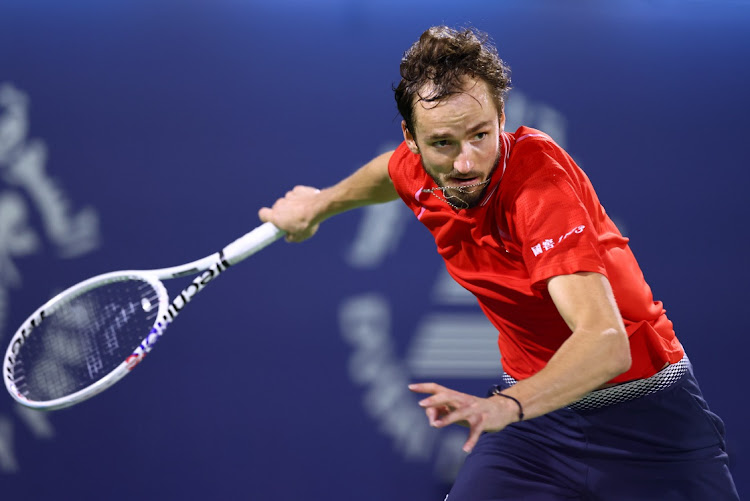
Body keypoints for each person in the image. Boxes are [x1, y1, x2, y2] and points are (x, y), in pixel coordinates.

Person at [258, 26, 738, 500]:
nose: (466, 162)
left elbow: (606, 343)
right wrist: (319, 204)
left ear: (501, 116)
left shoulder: (539, 186)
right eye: (443, 143)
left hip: (648, 422)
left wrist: (507, 405)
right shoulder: (418, 168)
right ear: (411, 138)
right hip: (535, 432)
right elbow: (388, 174)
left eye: (481, 135)